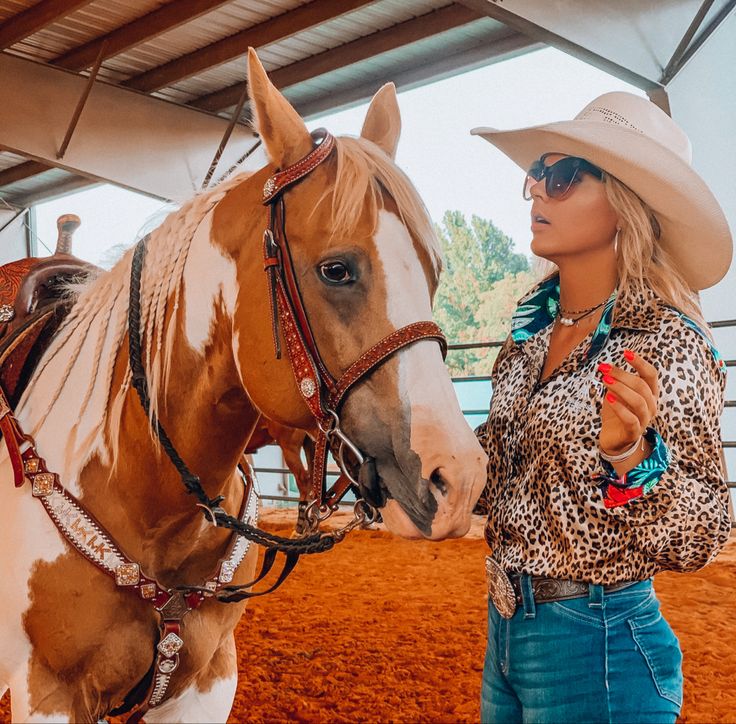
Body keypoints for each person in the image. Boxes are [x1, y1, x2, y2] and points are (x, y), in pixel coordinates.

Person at [470, 92, 732, 723]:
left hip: (601, 645)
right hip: (505, 633)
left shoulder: (669, 342)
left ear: (625, 204)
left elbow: (705, 534)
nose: (535, 190)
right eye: (537, 172)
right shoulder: (527, 337)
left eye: (562, 176)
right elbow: (497, 482)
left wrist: (632, 458)